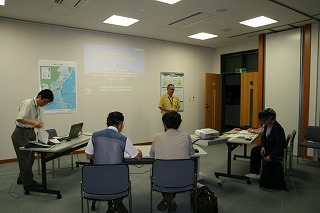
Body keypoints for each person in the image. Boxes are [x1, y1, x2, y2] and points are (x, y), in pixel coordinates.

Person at [85, 111, 142, 213]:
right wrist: (139, 151)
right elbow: (137, 157)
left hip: (97, 180)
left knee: (107, 174)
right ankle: (116, 203)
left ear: (107, 123)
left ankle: (112, 204)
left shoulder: (94, 136)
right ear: (120, 124)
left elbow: (88, 156)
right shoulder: (123, 139)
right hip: (117, 182)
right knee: (117, 174)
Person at [150, 111, 195, 212]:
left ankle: (168, 198)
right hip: (184, 179)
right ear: (179, 124)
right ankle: (171, 200)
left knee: (164, 172)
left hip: (162, 179)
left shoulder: (157, 137)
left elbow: (152, 155)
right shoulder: (186, 136)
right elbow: (192, 153)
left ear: (164, 124)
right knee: (174, 172)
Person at [11, 89, 54, 190]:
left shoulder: (39, 108)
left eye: (47, 103)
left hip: (31, 132)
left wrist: (44, 137)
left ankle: (22, 178)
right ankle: (28, 184)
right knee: (26, 159)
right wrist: (34, 123)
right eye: (44, 101)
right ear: (39, 96)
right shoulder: (28, 103)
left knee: (29, 158)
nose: (45, 104)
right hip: (21, 133)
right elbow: (19, 118)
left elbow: (40, 123)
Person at [245, 108, 286, 179]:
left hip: (275, 150)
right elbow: (264, 137)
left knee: (255, 151)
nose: (264, 123)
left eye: (265, 120)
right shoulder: (268, 125)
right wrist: (263, 146)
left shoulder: (277, 128)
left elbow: (280, 145)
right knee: (256, 149)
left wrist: (271, 156)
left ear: (271, 118)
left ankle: (255, 173)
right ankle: (255, 172)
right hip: (269, 147)